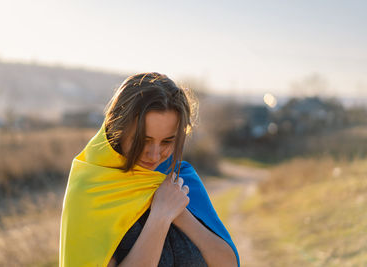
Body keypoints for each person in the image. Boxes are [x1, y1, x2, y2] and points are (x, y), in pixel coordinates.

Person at [59, 72, 240, 267]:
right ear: (118, 129)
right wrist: (160, 217)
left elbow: (228, 263)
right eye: (143, 141)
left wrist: (180, 214)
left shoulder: (181, 179)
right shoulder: (93, 188)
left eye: (167, 141)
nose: (154, 155)